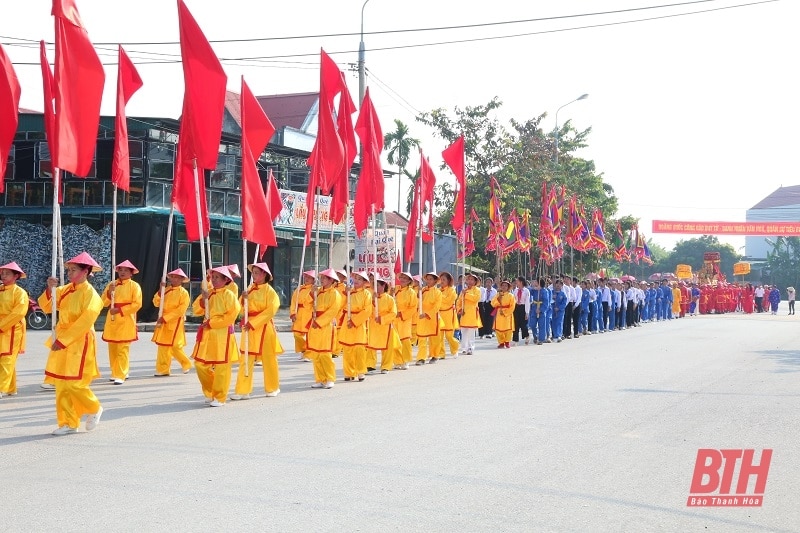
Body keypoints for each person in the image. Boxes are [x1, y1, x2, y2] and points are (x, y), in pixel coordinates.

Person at [38, 252, 105, 435]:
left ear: (86, 272)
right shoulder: (66, 289)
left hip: (79, 340)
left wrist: (63, 341)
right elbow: (46, 306)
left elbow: (84, 322)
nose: (69, 273)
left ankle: (94, 407)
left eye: (73, 270)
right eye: (69, 269)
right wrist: (49, 288)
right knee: (61, 384)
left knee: (75, 383)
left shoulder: (91, 295)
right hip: (61, 337)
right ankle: (68, 423)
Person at [231, 262, 283, 400]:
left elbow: (271, 310)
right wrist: (243, 300)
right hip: (249, 328)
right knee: (245, 359)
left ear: (264, 274)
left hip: (264, 328)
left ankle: (273, 387)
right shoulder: (249, 289)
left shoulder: (270, 292)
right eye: (252, 272)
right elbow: (240, 309)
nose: (253, 275)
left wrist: (253, 323)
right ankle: (243, 390)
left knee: (269, 359)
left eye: (256, 273)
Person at [192, 266, 241, 406]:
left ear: (226, 280)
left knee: (221, 367)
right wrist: (203, 300)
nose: (213, 280)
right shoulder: (209, 293)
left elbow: (231, 315)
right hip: (207, 333)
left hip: (222, 333)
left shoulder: (229, 295)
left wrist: (212, 323)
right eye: (212, 277)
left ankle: (220, 396)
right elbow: (196, 310)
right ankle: (209, 391)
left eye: (217, 277)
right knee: (200, 364)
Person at [101, 260, 142, 385]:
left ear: (131, 273)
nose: (122, 272)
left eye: (126, 270)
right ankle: (115, 372)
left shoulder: (134, 286)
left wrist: (119, 310)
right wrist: (109, 292)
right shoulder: (111, 284)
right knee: (112, 347)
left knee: (122, 348)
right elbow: (103, 302)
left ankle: (121, 374)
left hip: (126, 318)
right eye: (120, 270)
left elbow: (137, 304)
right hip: (112, 319)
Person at [306, 269, 344, 389]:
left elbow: (333, 311)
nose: (322, 280)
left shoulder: (335, 294)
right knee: (316, 354)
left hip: (326, 326)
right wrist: (311, 294)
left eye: (324, 278)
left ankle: (330, 378)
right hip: (315, 325)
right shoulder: (317, 292)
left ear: (331, 280)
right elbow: (306, 305)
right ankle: (320, 379)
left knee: (325, 354)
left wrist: (320, 322)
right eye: (321, 278)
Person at [151, 268, 193, 376]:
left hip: (175, 321)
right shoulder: (166, 290)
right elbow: (156, 303)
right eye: (172, 277)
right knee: (163, 345)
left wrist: (166, 318)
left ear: (181, 280)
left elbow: (181, 310)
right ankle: (163, 369)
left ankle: (186, 363)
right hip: (163, 319)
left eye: (177, 277)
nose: (174, 279)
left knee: (175, 346)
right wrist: (160, 291)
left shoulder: (184, 293)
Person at [0, 262, 28, 398]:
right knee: (3, 358)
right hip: (2, 328)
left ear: (16, 276)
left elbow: (18, 313)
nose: (3, 276)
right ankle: (10, 388)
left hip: (12, 329)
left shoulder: (20, 293)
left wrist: (1, 326)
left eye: (7, 273)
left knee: (7, 358)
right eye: (2, 273)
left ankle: (1, 388)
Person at [339, 271, 371, 382]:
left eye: (360, 279)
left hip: (358, 323)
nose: (357, 280)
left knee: (359, 348)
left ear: (364, 282)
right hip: (347, 322)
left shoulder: (367, 294)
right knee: (347, 349)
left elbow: (367, 310)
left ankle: (361, 371)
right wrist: (344, 294)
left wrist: (354, 321)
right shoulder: (349, 292)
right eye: (355, 278)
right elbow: (340, 305)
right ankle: (349, 372)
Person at [368, 278, 398, 374]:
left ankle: (386, 366)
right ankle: (370, 365)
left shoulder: (389, 299)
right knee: (371, 345)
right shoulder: (371, 297)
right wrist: (373, 300)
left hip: (385, 325)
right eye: (374, 286)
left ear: (383, 286)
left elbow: (393, 313)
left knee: (387, 347)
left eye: (378, 285)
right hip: (373, 324)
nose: (376, 288)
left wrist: (382, 319)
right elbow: (367, 310)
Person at [392, 272, 417, 369]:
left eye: (405, 278)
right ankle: (397, 360)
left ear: (409, 281)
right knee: (395, 339)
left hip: (405, 318)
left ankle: (406, 360)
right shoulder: (395, 289)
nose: (402, 280)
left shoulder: (411, 292)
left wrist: (402, 314)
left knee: (405, 339)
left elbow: (413, 307)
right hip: (394, 317)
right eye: (401, 277)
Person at [290, 270, 316, 362]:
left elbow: (316, 302)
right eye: (306, 277)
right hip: (299, 313)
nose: (307, 279)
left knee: (310, 336)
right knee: (297, 335)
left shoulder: (315, 289)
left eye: (309, 277)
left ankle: (309, 354)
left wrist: (313, 294)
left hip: (310, 314)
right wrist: (293, 313)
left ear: (313, 279)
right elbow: (293, 301)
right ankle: (303, 350)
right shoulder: (299, 288)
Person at [456, 272, 482, 355]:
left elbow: (475, 299)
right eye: (468, 279)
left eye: (472, 280)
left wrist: (466, 294)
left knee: (471, 332)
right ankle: (464, 347)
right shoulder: (464, 290)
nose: (470, 281)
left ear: (475, 282)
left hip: (472, 313)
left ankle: (471, 347)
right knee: (464, 331)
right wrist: (460, 309)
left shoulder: (477, 290)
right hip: (464, 313)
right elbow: (458, 301)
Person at [437, 271, 460, 359]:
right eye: (441, 279)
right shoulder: (438, 290)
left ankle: (455, 349)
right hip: (440, 315)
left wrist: (440, 298)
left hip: (449, 314)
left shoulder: (452, 290)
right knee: (439, 336)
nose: (442, 281)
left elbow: (448, 301)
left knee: (449, 336)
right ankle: (441, 353)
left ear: (448, 281)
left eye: (444, 279)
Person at [491, 280, 515, 348]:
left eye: (506, 286)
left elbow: (512, 306)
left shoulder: (511, 296)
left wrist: (505, 312)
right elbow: (492, 303)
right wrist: (498, 302)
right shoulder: (498, 295)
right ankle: (501, 342)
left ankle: (507, 341)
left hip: (507, 314)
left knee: (508, 329)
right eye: (503, 285)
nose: (504, 287)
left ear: (508, 287)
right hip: (499, 313)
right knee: (498, 329)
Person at [511, 276, 531, 345]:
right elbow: (513, 300)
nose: (516, 282)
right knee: (515, 324)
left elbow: (527, 302)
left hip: (523, 307)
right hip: (516, 307)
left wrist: (527, 312)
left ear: (521, 282)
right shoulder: (515, 290)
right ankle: (515, 340)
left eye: (517, 281)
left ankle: (527, 336)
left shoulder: (526, 291)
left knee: (523, 324)